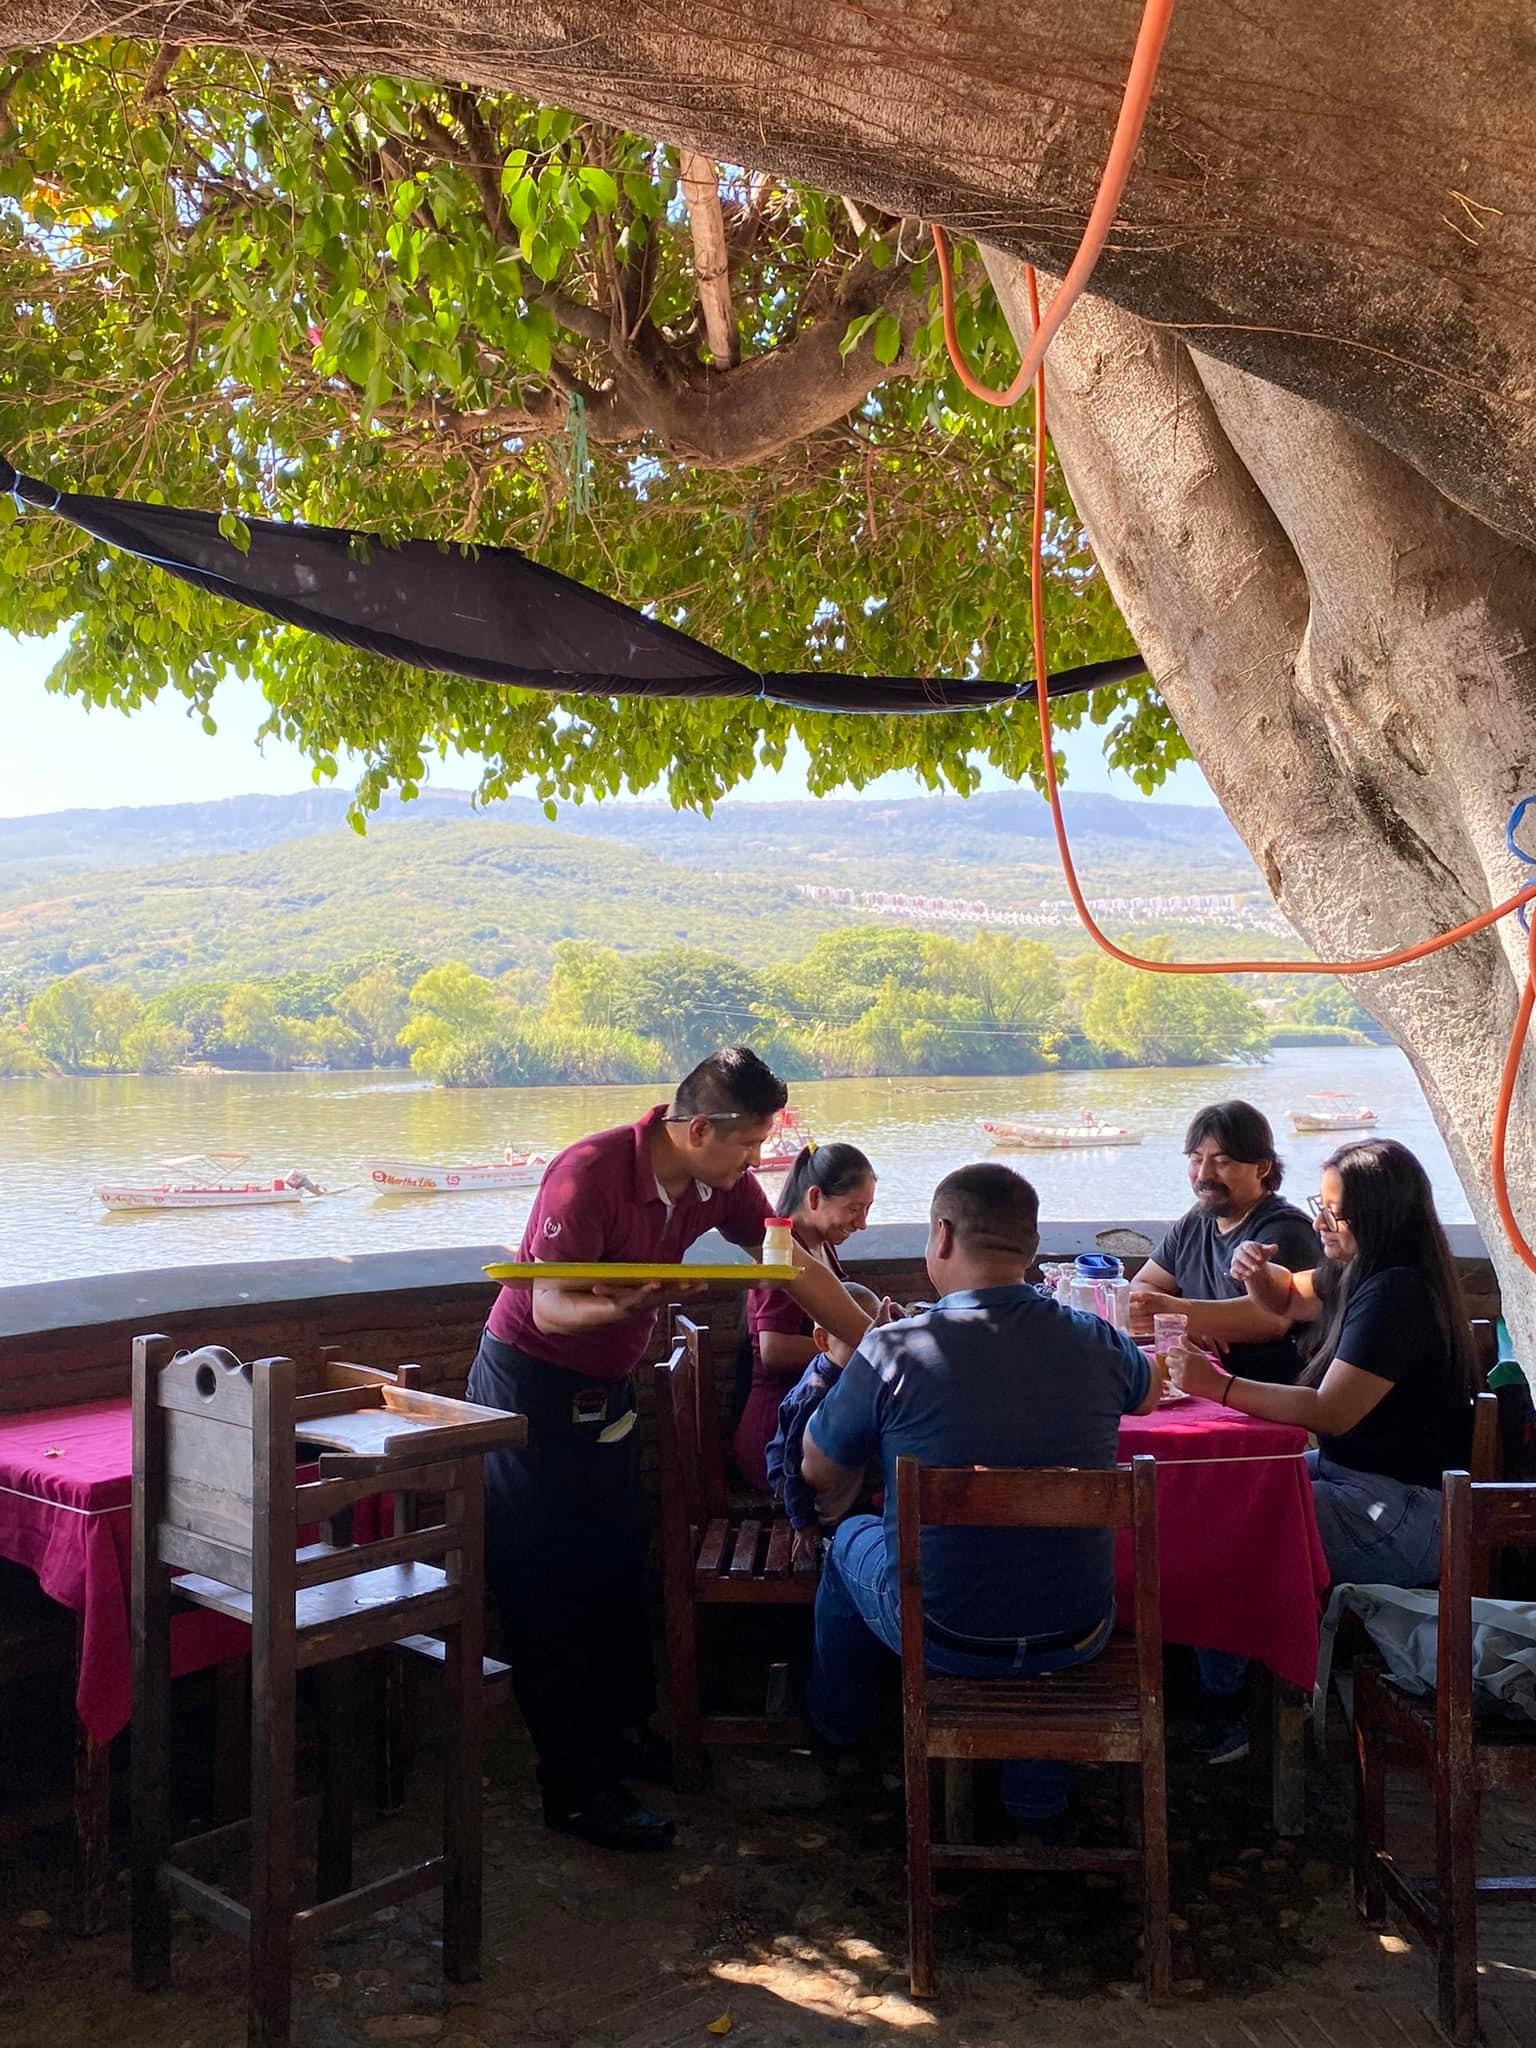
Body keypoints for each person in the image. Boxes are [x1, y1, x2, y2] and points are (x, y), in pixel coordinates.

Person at [467, 1046, 872, 1853]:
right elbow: (549, 1309)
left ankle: (623, 1733)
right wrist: (638, 1300)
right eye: (749, 1146)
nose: (758, 1163)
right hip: (532, 1394)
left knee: (619, 1566)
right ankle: (576, 1790)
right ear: (696, 1130)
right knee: (549, 1590)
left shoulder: (718, 1183)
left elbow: (790, 1263)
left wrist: (880, 1346)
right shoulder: (586, 1173)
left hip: (608, 1395)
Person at [801, 1163, 1158, 1830]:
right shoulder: (1097, 1339)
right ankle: (1035, 1803)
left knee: (848, 1543)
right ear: (1031, 1245)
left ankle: (842, 1741)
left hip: (944, 1634)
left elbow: (818, 1467)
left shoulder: (894, 1349)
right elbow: (1150, 1392)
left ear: (941, 1236)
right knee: (1035, 1578)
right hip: (1080, 1629)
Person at [1175, 1137, 1476, 1590]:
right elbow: (1286, 1297)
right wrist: (1256, 1273)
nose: (1319, 1222)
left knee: (1223, 1524)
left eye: (1334, 1211)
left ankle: (1255, 1658)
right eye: (1322, 1204)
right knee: (1220, 1483)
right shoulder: (1357, 1268)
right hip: (1348, 1476)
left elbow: (1329, 1412)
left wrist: (1216, 1385)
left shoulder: (1397, 1292)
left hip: (1399, 1512)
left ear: (1379, 1214)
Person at [1129, 1100, 1318, 1384]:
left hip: (1268, 1394)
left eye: (1222, 1162)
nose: (1204, 1174)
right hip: (1199, 1387)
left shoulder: (1285, 1231)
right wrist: (1184, 1327)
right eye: (1196, 1159)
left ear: (1262, 1167)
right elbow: (1144, 1284)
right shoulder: (1196, 1220)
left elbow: (1271, 1317)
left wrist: (1184, 1314)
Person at [734, 1142, 878, 1492]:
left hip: (816, 1419)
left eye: (868, 1209)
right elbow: (774, 1350)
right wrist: (850, 1350)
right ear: (814, 1197)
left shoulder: (821, 1246)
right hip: (780, 1436)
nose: (862, 1223)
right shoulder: (783, 1253)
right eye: (854, 1209)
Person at [764, 1280, 883, 1567]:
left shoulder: (844, 1369)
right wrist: (804, 1524)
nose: (867, 1351)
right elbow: (792, 1465)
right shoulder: (815, 1396)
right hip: (795, 1480)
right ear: (821, 1340)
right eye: (856, 1342)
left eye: (874, 1339)